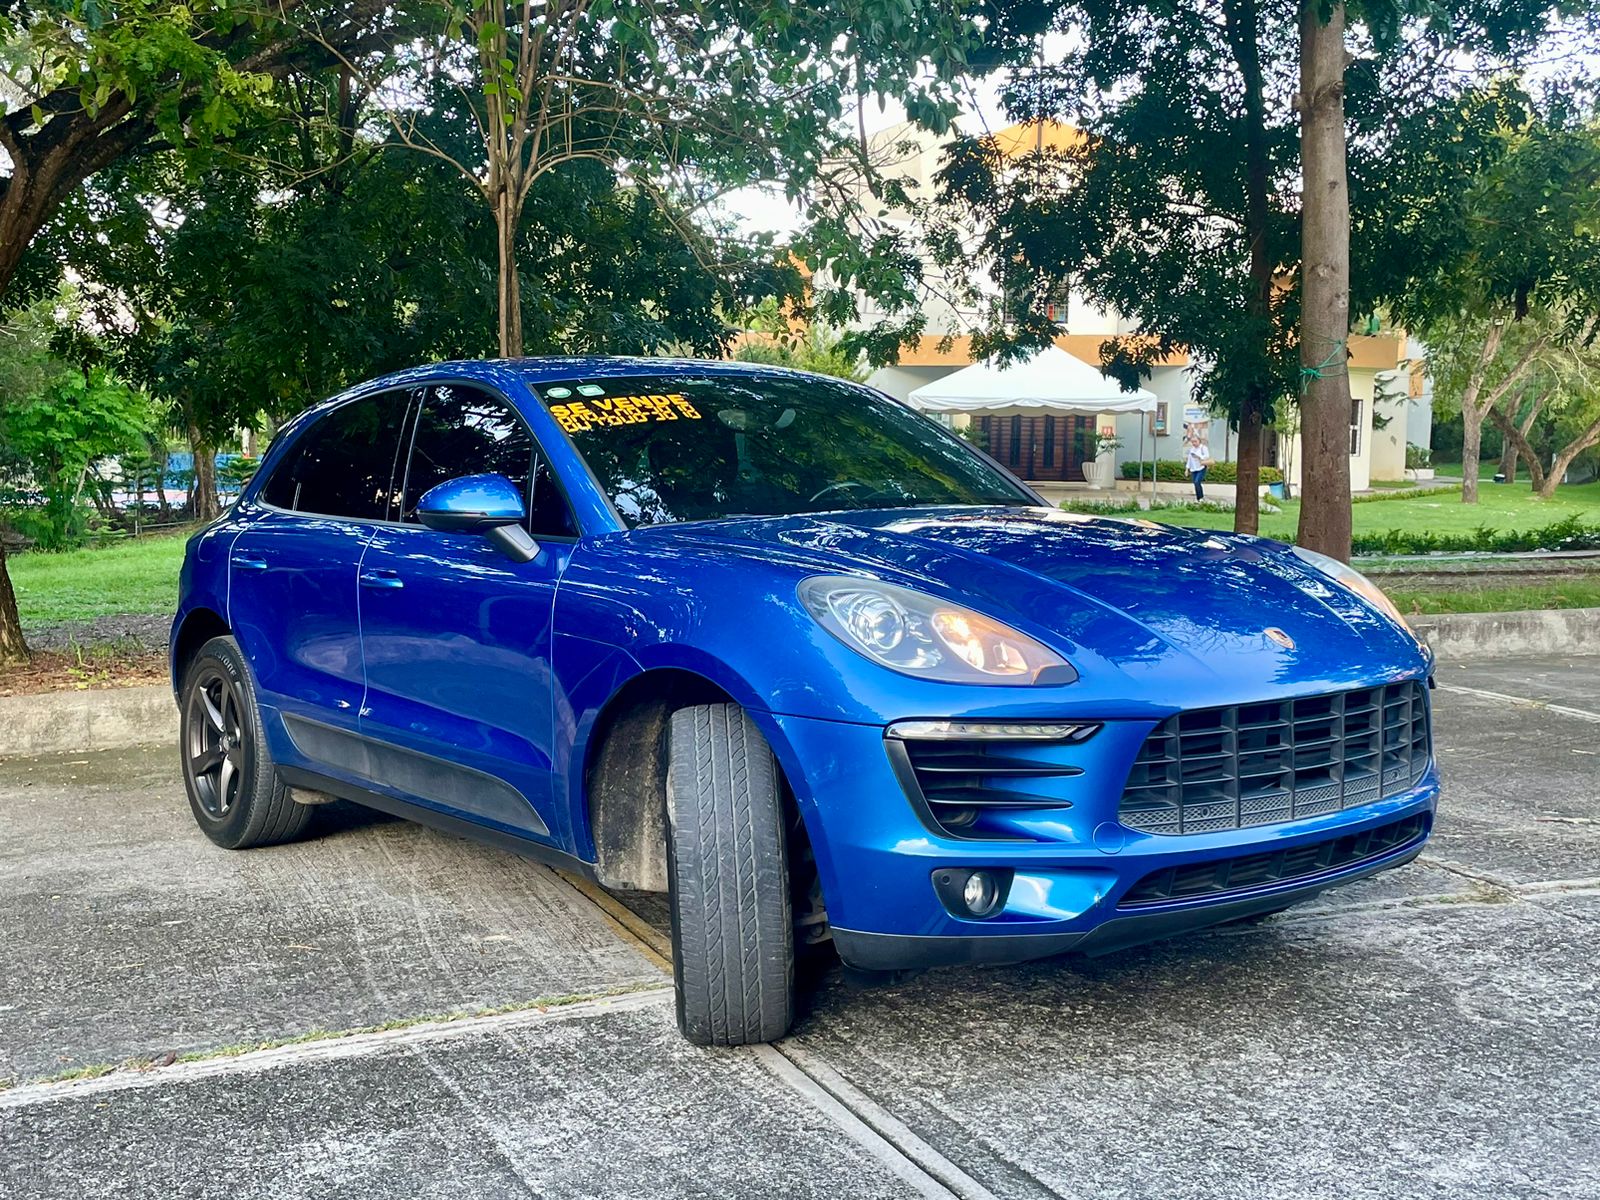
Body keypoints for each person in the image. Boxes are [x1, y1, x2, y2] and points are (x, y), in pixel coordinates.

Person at [1184, 429, 1212, 500]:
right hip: (1193, 468)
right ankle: (1198, 498)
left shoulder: (1203, 448)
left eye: (1195, 441)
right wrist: (1187, 469)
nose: (1194, 443)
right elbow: (1189, 460)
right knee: (1195, 483)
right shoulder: (1192, 449)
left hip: (1201, 467)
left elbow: (1206, 457)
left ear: (1199, 441)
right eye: (1192, 442)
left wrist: (1199, 456)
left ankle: (1201, 498)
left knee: (1197, 482)